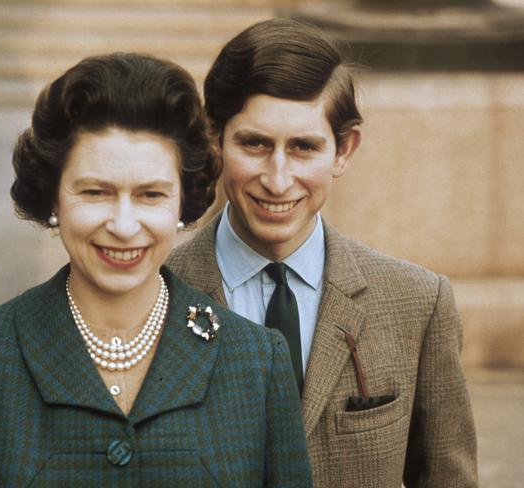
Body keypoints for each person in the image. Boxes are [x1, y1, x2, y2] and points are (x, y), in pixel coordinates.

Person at [0, 53, 312, 487]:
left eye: (151, 195)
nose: (123, 226)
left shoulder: (256, 360)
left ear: (184, 202)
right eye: (97, 192)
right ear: (53, 200)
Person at [167, 18, 478, 487]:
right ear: (214, 140)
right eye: (254, 143)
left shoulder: (418, 302)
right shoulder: (153, 295)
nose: (277, 178)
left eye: (303, 147)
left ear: (344, 150)